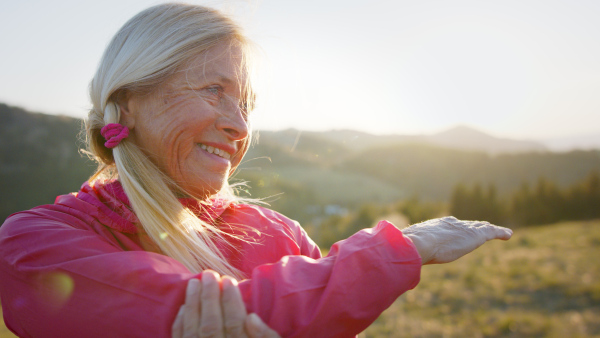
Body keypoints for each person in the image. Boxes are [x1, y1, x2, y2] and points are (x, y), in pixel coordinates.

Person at [0, 3, 512, 338]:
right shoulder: (35, 244)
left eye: (246, 103)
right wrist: (400, 248)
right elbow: (195, 310)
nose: (240, 125)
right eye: (212, 90)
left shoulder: (283, 236)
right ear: (128, 103)